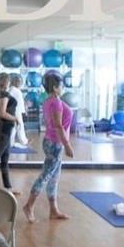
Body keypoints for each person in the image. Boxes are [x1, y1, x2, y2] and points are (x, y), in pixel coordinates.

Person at [22, 72, 73, 223]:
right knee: (45, 176)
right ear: (55, 88)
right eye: (61, 86)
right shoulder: (55, 102)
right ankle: (29, 206)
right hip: (55, 143)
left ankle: (54, 210)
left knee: (54, 178)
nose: (63, 88)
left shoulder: (49, 100)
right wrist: (67, 145)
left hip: (52, 142)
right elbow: (58, 125)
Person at [9, 73, 29, 147]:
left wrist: (24, 109)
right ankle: (23, 141)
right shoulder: (13, 90)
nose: (20, 83)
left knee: (15, 127)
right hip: (15, 111)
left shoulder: (15, 90)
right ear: (14, 81)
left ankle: (11, 142)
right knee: (19, 125)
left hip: (17, 110)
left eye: (20, 82)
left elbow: (20, 101)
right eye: (18, 81)